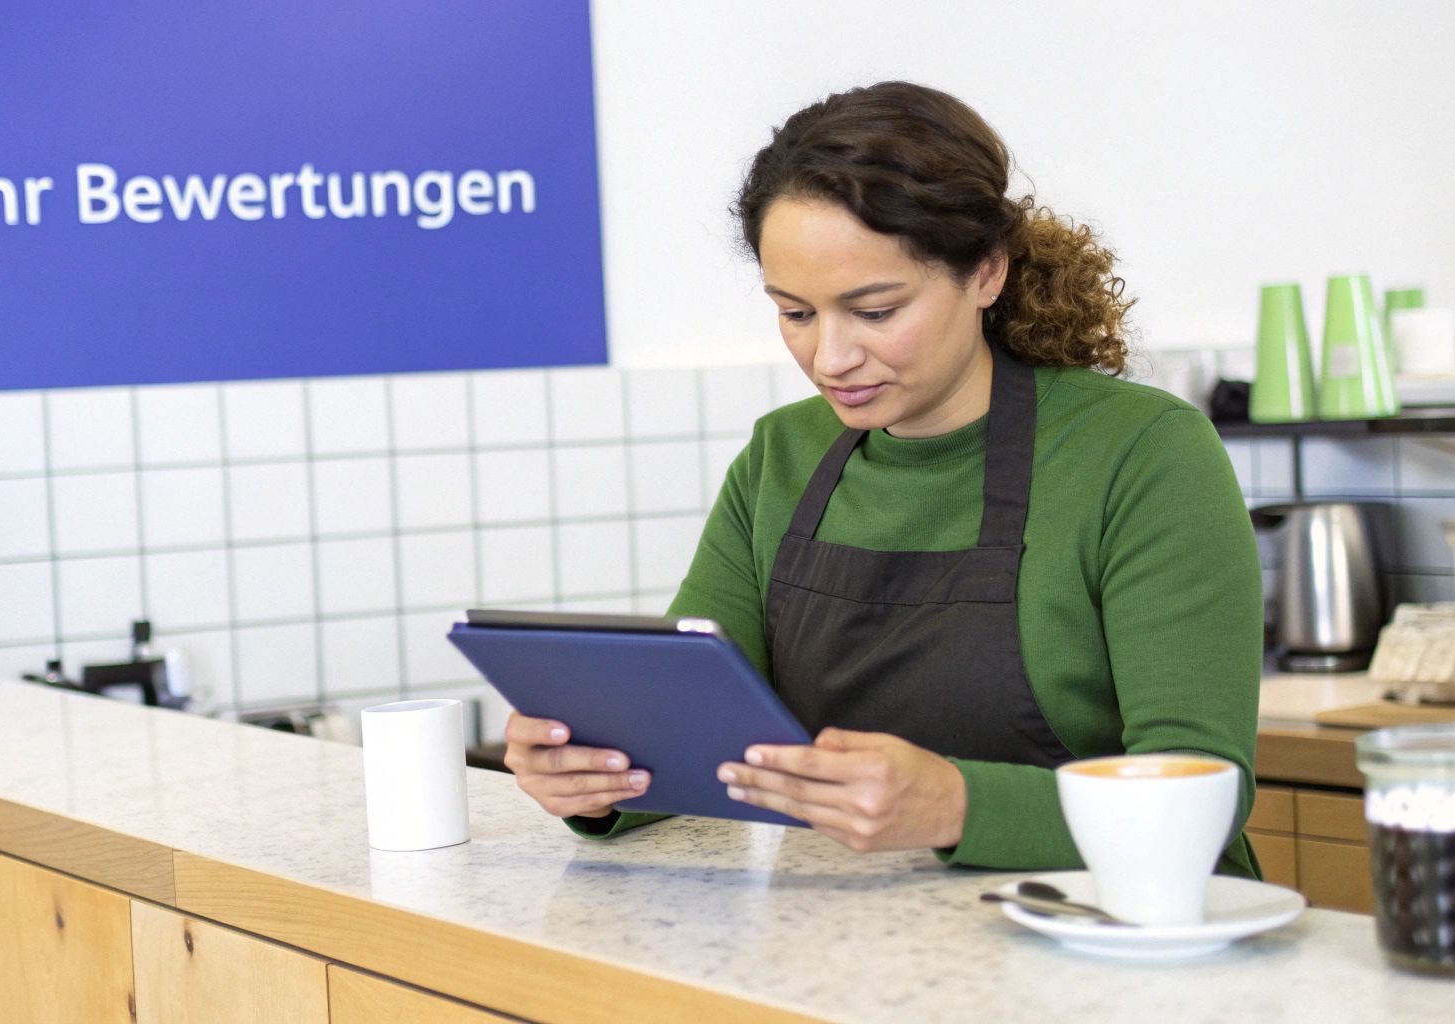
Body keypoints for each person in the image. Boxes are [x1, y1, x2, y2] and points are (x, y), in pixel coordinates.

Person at [503, 81, 1263, 876]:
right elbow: (699, 737)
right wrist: (599, 778)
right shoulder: (781, 457)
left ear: (986, 273)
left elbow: (1202, 792)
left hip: (1130, 941)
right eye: (796, 313)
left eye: (875, 310)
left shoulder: (1142, 452)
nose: (830, 359)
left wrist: (956, 806)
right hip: (874, 942)